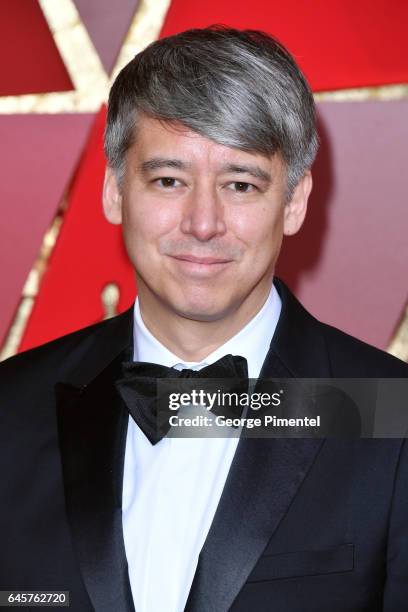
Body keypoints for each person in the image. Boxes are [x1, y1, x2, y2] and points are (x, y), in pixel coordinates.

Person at [1, 26, 407, 612]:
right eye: (170, 180)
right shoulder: (10, 410)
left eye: (240, 185)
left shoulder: (391, 419)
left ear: (293, 202)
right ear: (115, 190)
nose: (202, 222)